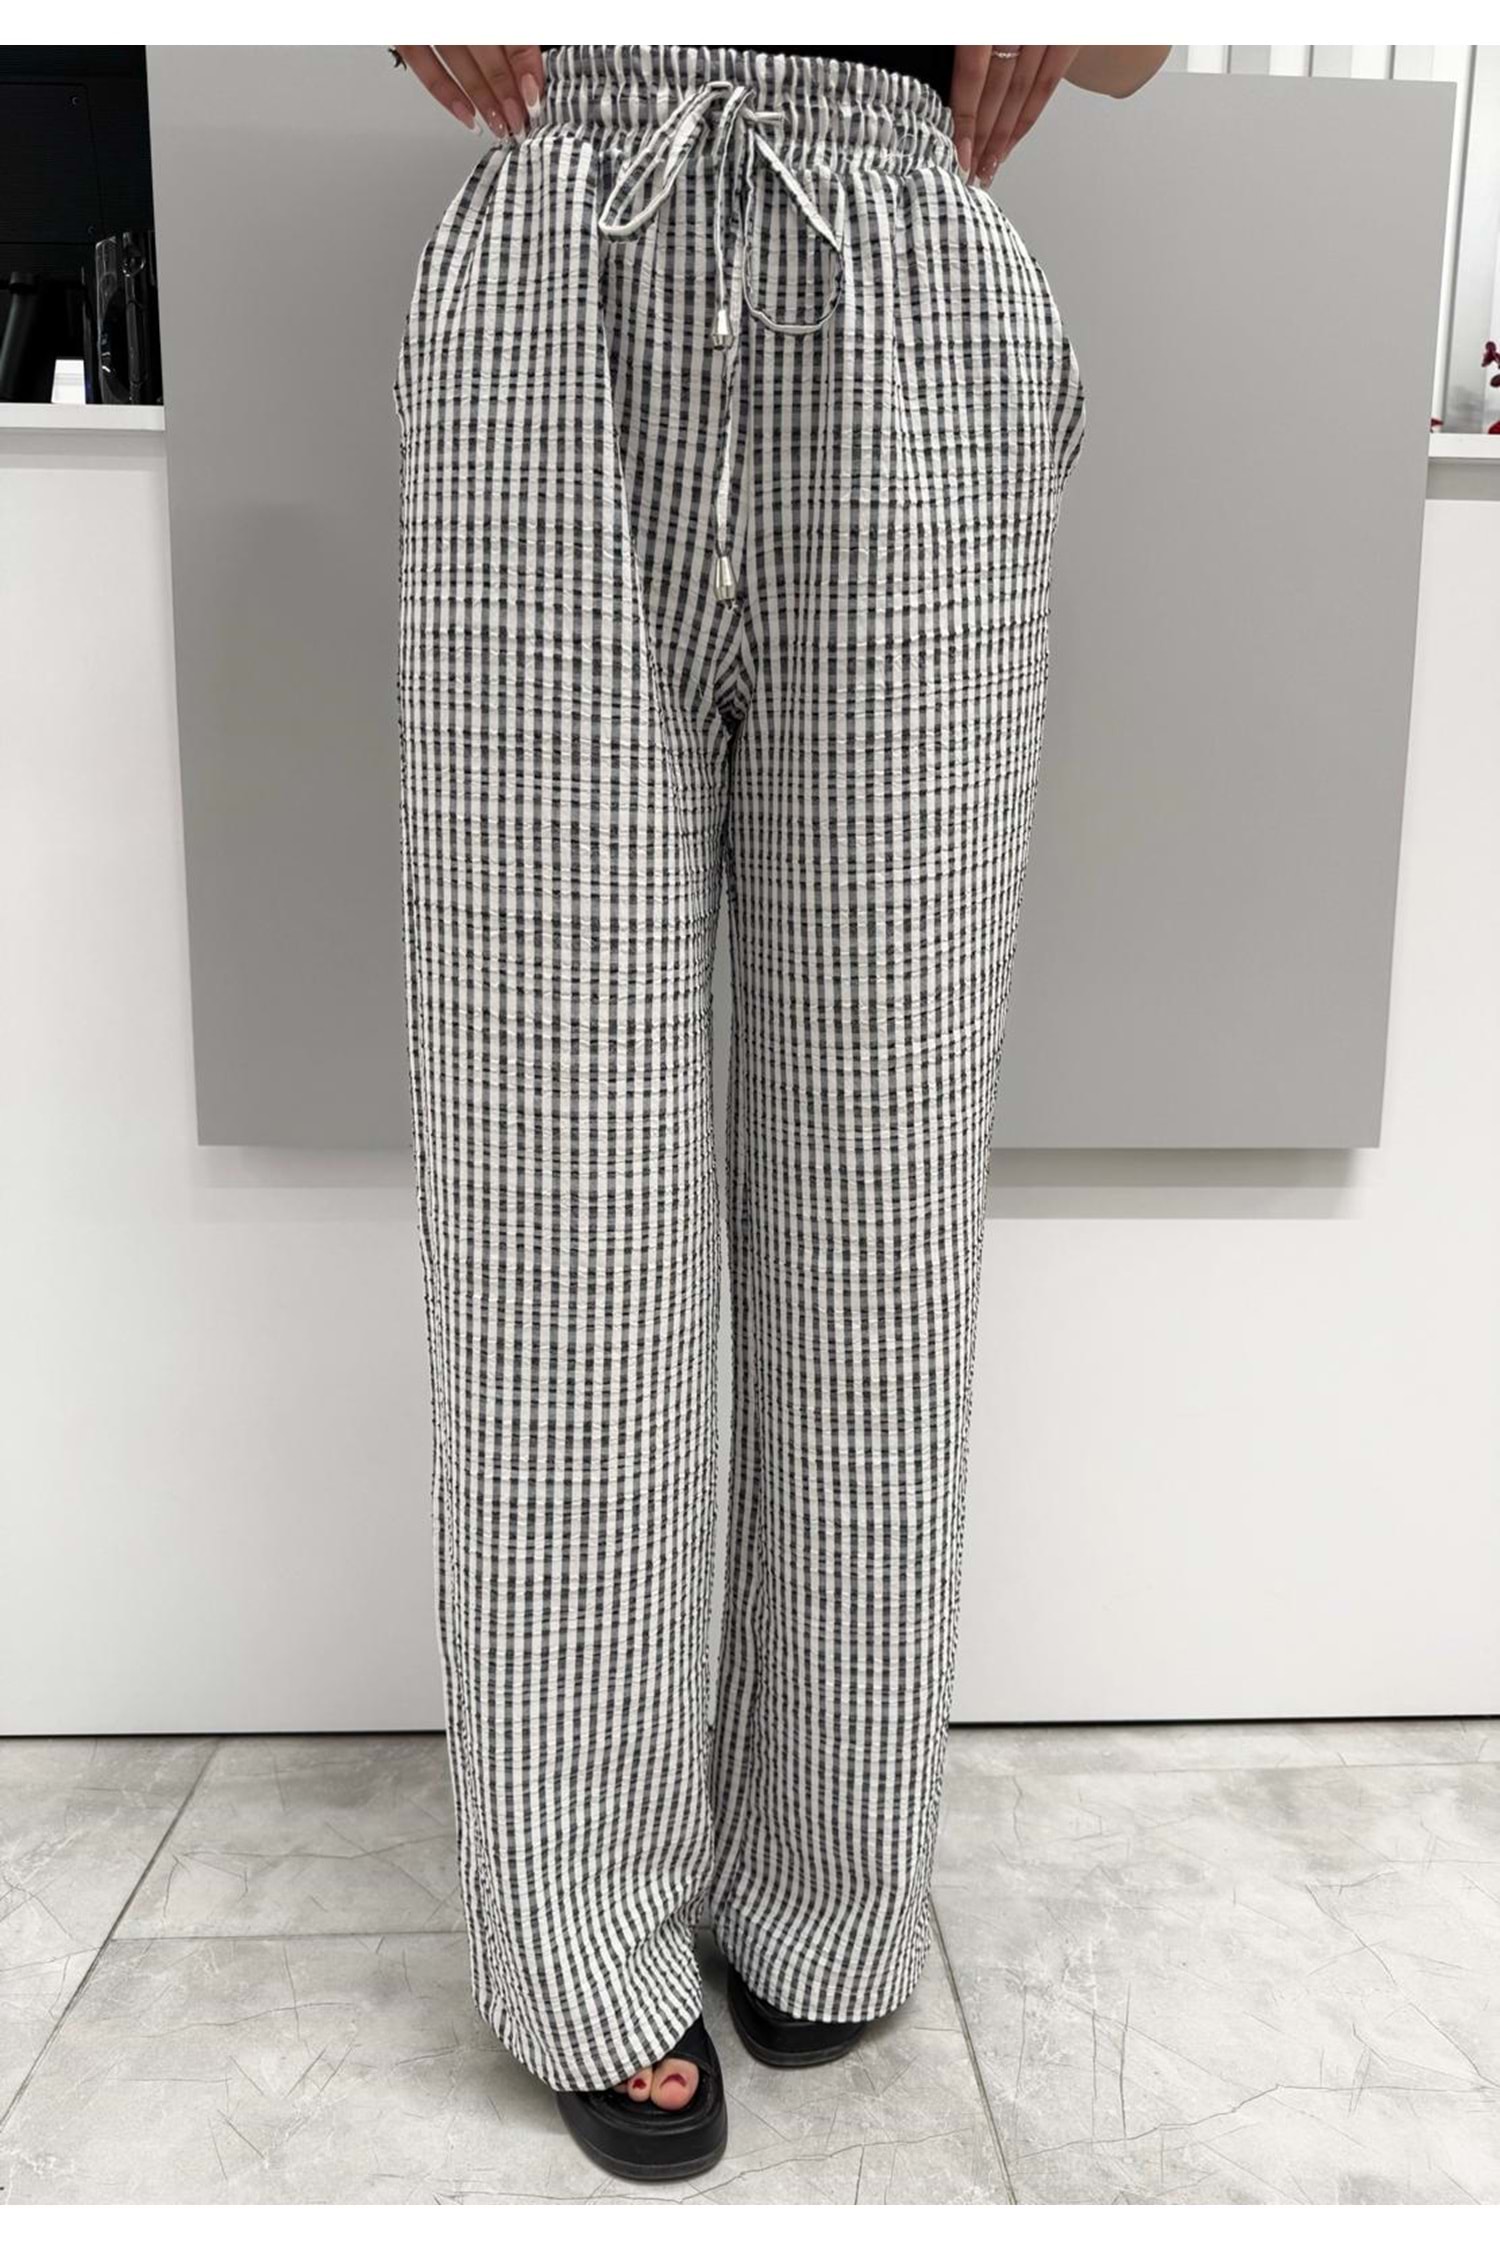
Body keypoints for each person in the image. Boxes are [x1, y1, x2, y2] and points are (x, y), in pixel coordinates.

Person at [388, 39, 1171, 2183]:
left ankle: (832, 1866)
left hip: (907, 264)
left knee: (884, 1179)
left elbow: (1137, 48)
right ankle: (580, 1922)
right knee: (559, 1200)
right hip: (569, 251)